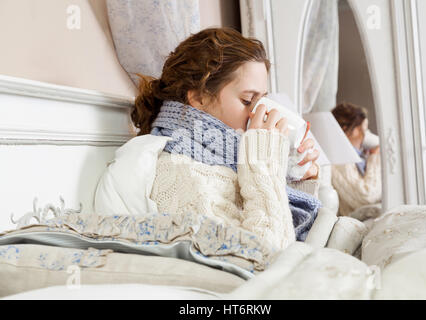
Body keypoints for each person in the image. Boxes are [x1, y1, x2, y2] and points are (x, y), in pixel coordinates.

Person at [131, 27, 321, 250]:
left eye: (262, 101)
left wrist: (297, 179)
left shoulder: (228, 160)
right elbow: (267, 256)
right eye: (248, 101)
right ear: (199, 97)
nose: (258, 113)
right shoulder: (180, 174)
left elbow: (299, 236)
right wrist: (263, 165)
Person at [331, 102, 382, 217]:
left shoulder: (358, 156)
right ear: (350, 130)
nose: (365, 134)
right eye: (363, 129)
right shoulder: (340, 160)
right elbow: (366, 197)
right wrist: (375, 158)